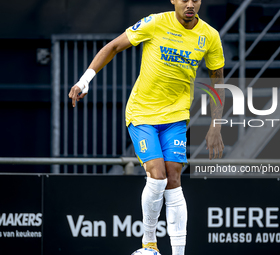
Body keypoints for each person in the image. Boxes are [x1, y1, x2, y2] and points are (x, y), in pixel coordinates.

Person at [68, 0, 225, 254]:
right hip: (142, 113)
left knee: (174, 177)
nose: (190, 4)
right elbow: (114, 46)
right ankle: (149, 243)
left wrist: (216, 125)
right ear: (173, 0)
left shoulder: (209, 36)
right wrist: (85, 80)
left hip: (175, 116)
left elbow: (219, 82)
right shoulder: (155, 22)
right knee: (157, 175)